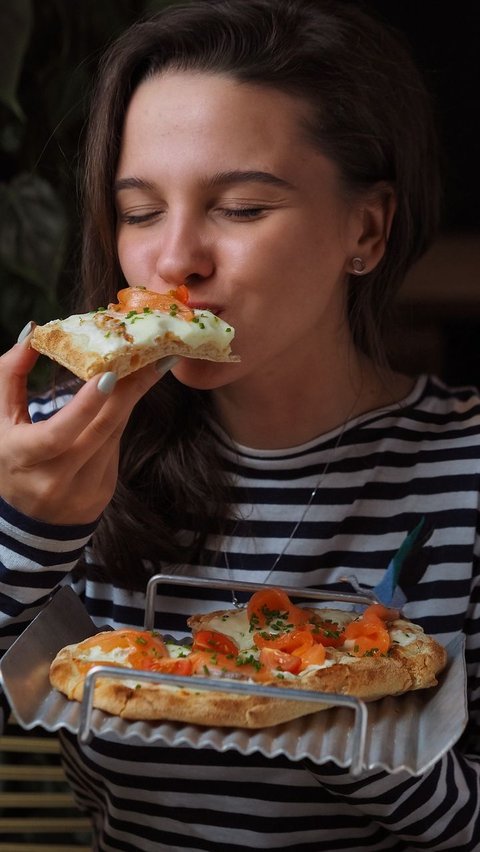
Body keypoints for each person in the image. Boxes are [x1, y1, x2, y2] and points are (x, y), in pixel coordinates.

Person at [0, 0, 478, 849]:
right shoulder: (44, 453)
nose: (173, 259)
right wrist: (25, 536)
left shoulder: (466, 469)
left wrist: (329, 699)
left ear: (365, 229)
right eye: (140, 212)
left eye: (243, 208)